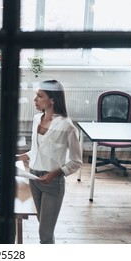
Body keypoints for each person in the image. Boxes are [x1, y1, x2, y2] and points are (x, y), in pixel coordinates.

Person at [16, 80, 83, 244]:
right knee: (43, 226)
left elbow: (77, 161)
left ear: (52, 100)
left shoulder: (67, 126)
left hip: (52, 183)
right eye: (36, 95)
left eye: (40, 96)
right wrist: (18, 157)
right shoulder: (36, 119)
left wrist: (54, 174)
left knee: (45, 234)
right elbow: (36, 151)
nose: (35, 100)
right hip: (33, 179)